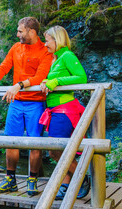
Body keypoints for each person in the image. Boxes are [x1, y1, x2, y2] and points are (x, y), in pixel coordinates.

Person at [0, 17, 52, 195]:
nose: (17, 34)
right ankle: (10, 179)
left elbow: (41, 76)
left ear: (32, 31)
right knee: (10, 141)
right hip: (16, 103)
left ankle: (32, 180)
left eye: (20, 31)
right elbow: (5, 66)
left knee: (34, 143)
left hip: (35, 103)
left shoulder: (45, 51)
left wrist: (19, 85)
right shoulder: (16, 47)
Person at [39, 25, 90, 200]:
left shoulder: (67, 56)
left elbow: (82, 77)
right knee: (62, 149)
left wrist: (54, 82)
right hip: (55, 110)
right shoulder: (56, 58)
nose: (45, 44)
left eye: (47, 40)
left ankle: (81, 176)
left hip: (64, 109)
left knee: (54, 150)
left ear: (57, 39)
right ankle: (67, 185)